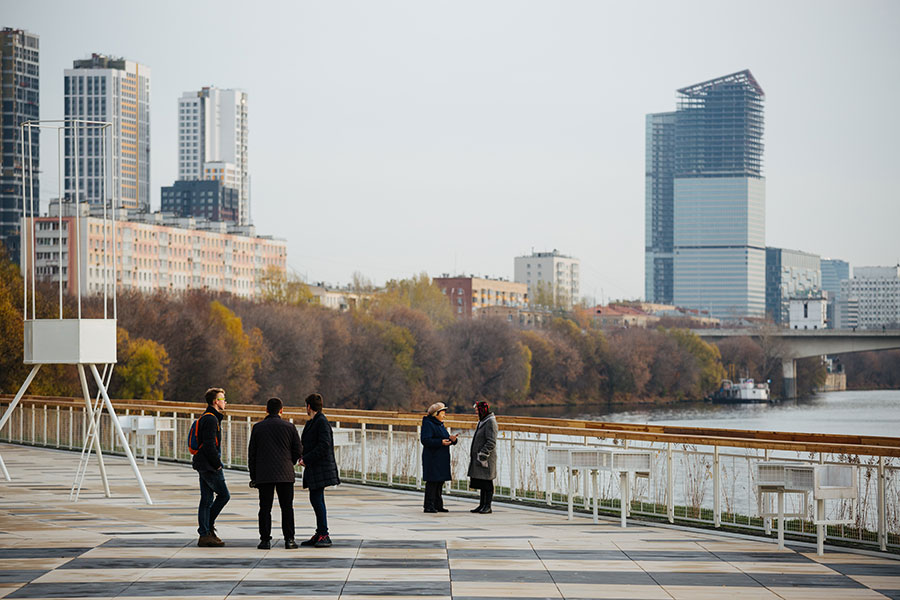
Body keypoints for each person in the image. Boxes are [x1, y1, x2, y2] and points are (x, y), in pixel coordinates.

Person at [248, 397, 302, 550]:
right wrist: (288, 462)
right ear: (281, 410)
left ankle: (265, 540)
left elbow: (252, 453)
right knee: (287, 507)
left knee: (265, 508)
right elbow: (298, 450)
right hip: (285, 473)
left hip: (264, 474)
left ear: (266, 410)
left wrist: (254, 476)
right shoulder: (290, 427)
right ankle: (289, 539)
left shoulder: (258, 428)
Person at [298, 393, 340, 547]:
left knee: (317, 499)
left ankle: (324, 533)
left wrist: (307, 459)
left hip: (320, 467)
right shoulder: (313, 422)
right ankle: (321, 531)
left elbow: (324, 445)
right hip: (314, 467)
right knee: (316, 499)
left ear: (309, 406)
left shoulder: (321, 422)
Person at [193, 387, 230, 547]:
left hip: (203, 464)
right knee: (224, 496)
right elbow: (209, 445)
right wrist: (217, 465)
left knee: (207, 499)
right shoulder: (210, 419)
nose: (225, 402)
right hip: (209, 465)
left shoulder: (209, 417)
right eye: (222, 399)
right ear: (215, 402)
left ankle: (206, 533)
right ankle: (206, 528)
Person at [420, 402, 458, 513]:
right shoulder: (429, 423)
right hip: (432, 458)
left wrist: (453, 440)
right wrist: (440, 442)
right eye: (442, 413)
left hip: (441, 458)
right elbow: (425, 440)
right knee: (432, 482)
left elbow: (445, 438)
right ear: (436, 414)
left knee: (439, 481)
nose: (444, 415)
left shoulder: (439, 424)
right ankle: (429, 505)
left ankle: (438, 504)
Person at [468, 400, 498, 514]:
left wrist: (483, 454)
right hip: (480, 457)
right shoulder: (483, 421)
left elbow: (491, 441)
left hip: (486, 458)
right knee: (481, 481)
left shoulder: (490, 422)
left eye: (477, 410)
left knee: (487, 481)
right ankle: (482, 505)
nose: (476, 413)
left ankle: (487, 506)